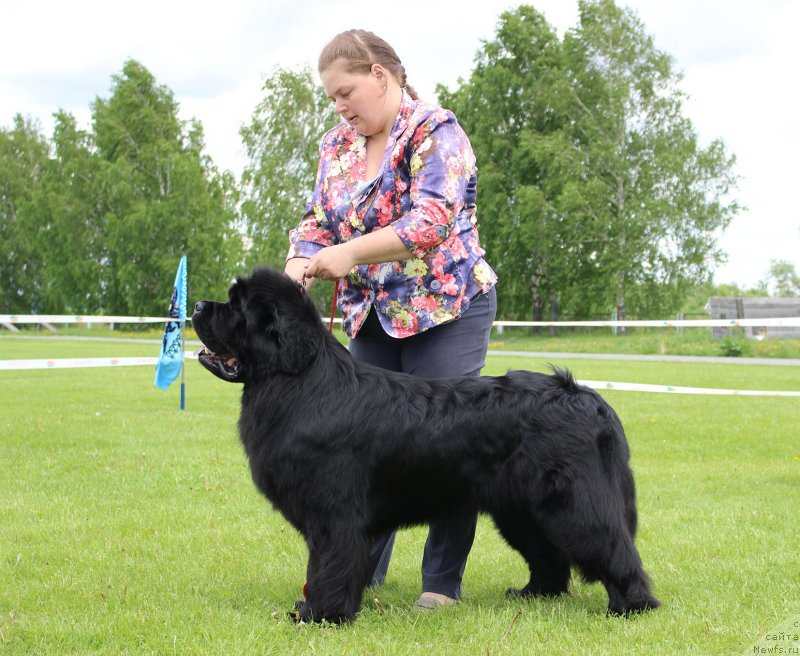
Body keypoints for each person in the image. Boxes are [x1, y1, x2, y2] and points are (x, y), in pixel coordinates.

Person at [284, 29, 497, 611]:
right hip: (371, 314)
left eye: (345, 91)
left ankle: (441, 585)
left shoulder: (437, 131)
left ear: (381, 74)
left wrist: (349, 254)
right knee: (360, 451)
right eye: (332, 98)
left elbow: (431, 219)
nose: (340, 107)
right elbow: (317, 217)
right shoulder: (337, 145)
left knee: (446, 444)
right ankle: (355, 576)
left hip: (445, 306)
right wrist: (300, 258)